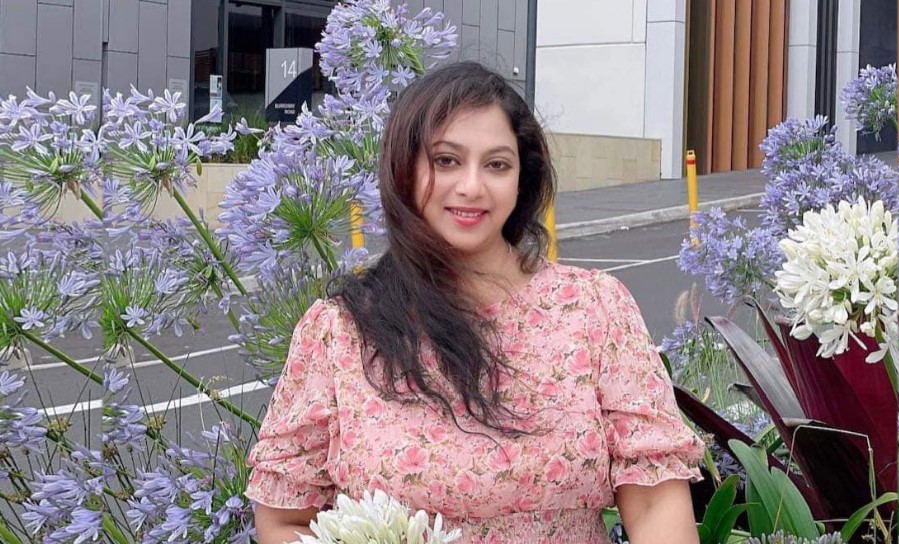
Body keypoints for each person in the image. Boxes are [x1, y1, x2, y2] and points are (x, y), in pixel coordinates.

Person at [245, 61, 705, 544]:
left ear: (522, 178)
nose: (471, 186)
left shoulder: (594, 310)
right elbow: (285, 519)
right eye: (446, 161)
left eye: (497, 165)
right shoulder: (339, 332)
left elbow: (654, 504)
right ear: (404, 169)